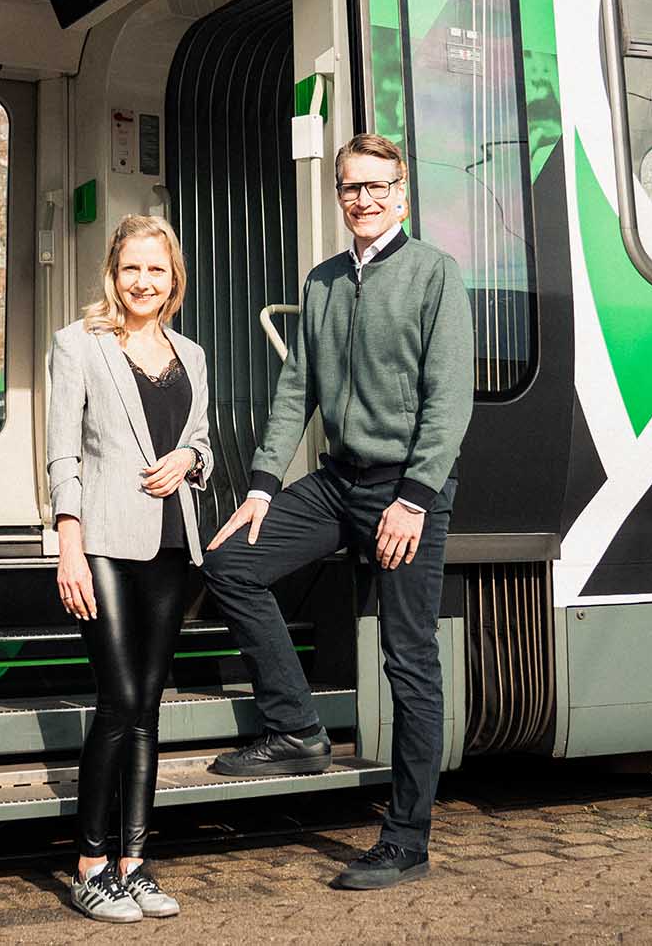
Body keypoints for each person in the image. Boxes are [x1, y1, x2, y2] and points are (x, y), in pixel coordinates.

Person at [203, 132, 474, 891]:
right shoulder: (323, 281)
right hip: (336, 481)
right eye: (351, 187)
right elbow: (297, 390)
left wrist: (416, 498)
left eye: (377, 186)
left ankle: (407, 839)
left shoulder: (434, 274)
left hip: (404, 490)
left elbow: (449, 402)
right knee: (231, 562)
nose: (363, 198)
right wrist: (259, 485)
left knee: (408, 657)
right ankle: (296, 727)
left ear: (403, 193)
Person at [46, 215, 213, 923]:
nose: (144, 282)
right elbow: (61, 453)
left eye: (157, 270)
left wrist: (190, 459)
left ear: (173, 279)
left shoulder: (191, 353)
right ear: (113, 273)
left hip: (174, 544)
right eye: (131, 269)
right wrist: (69, 542)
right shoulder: (78, 344)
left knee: (147, 706)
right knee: (116, 699)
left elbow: (201, 442)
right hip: (106, 542)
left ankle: (135, 863)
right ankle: (89, 865)